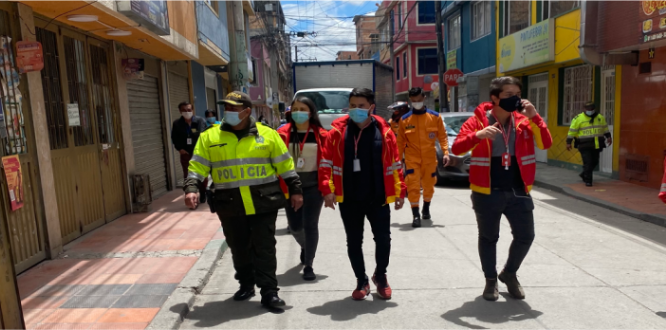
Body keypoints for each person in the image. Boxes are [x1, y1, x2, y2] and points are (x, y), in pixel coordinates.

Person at [184, 91, 304, 308]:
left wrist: (295, 189)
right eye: (226, 108)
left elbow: (285, 165)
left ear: (247, 111)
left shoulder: (268, 135)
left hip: (263, 202)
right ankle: (246, 284)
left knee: (265, 247)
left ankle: (269, 292)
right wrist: (192, 188)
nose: (228, 112)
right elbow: (197, 166)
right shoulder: (209, 137)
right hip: (229, 203)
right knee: (238, 247)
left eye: (233, 108)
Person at [451, 77, 552, 302]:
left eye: (517, 94)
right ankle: (490, 280)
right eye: (508, 95)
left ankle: (509, 273)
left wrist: (535, 117)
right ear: (495, 98)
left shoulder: (525, 121)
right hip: (487, 191)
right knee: (489, 238)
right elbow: (457, 148)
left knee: (526, 236)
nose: (515, 99)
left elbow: (546, 144)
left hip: (518, 190)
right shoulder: (477, 121)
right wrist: (477, 136)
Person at [320, 88, 406, 300]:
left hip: (378, 197)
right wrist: (327, 189)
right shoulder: (336, 133)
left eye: (361, 106)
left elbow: (396, 164)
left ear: (371, 107)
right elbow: (325, 164)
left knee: (383, 240)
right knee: (354, 241)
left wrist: (400, 190)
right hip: (349, 198)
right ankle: (362, 280)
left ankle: (381, 276)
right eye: (352, 105)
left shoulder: (385, 133)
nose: (356, 109)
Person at [277, 97, 328, 281]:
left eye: (303, 109)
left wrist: (329, 188)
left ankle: (309, 263)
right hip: (289, 187)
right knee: (295, 226)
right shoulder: (282, 133)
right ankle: (305, 247)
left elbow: (328, 163)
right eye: (295, 108)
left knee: (310, 224)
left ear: (311, 112)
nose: (298, 112)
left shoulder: (322, 135)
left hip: (314, 186)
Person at [398, 87, 450, 228]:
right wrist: (397, 159)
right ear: (410, 100)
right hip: (411, 159)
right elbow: (400, 141)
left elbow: (443, 137)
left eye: (419, 100)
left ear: (424, 98)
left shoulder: (435, 117)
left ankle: (426, 207)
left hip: (429, 158)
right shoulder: (405, 120)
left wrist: (445, 152)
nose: (416, 103)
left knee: (429, 185)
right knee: (413, 185)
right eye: (413, 101)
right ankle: (416, 215)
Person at [566, 101, 612, 187]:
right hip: (584, 145)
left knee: (595, 161)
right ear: (584, 109)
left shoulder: (600, 117)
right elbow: (572, 131)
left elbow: (605, 128)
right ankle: (588, 180)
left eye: (591, 109)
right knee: (588, 162)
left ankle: (584, 174)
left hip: (597, 144)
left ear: (594, 109)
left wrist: (608, 137)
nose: (590, 110)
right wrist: (569, 142)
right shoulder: (578, 118)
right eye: (588, 109)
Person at [171, 101, 207, 207]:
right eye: (184, 110)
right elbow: (174, 138)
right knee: (187, 174)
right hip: (185, 153)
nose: (187, 112)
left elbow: (204, 135)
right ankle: (190, 195)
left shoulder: (200, 121)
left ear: (192, 110)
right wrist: (179, 149)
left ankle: (203, 192)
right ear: (180, 111)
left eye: (189, 110)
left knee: (202, 174)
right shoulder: (177, 123)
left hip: (199, 153)